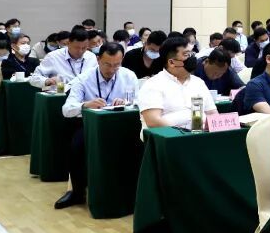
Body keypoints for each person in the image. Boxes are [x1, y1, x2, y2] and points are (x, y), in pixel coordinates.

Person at [55, 43, 138, 209]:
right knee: (76, 146)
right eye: (107, 64)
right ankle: (77, 192)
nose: (112, 69)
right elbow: (67, 109)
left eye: (116, 64)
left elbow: (140, 101)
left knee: (138, 145)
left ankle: (131, 192)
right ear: (98, 59)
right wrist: (85, 104)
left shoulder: (129, 76)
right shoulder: (83, 79)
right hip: (90, 126)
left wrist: (127, 103)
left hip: (120, 125)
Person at [137, 36, 217, 128]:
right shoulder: (153, 85)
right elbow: (154, 122)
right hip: (170, 136)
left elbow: (212, 114)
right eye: (186, 55)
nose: (192, 58)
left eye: (192, 53)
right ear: (171, 62)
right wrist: (185, 131)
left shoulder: (198, 83)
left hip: (199, 134)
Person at [31, 28, 96, 88]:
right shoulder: (53, 56)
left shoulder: (91, 57)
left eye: (84, 48)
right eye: (77, 48)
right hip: (61, 94)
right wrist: (47, 81)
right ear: (68, 43)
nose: (80, 51)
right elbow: (34, 78)